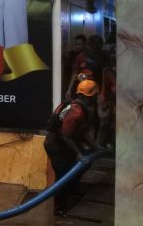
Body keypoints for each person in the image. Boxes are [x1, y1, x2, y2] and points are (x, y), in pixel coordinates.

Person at [43, 79, 100, 215]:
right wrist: (78, 153)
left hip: (66, 142)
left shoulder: (85, 109)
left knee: (85, 163)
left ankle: (72, 188)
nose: (98, 97)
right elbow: (66, 135)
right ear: (89, 96)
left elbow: (82, 131)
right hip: (55, 144)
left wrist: (95, 146)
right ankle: (58, 207)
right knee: (63, 175)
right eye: (95, 95)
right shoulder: (76, 111)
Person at [66, 34, 108, 100]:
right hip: (83, 90)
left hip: (97, 90)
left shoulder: (103, 57)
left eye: (98, 47)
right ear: (89, 45)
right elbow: (75, 74)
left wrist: (103, 92)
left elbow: (104, 76)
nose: (95, 49)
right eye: (94, 46)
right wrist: (69, 89)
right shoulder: (81, 57)